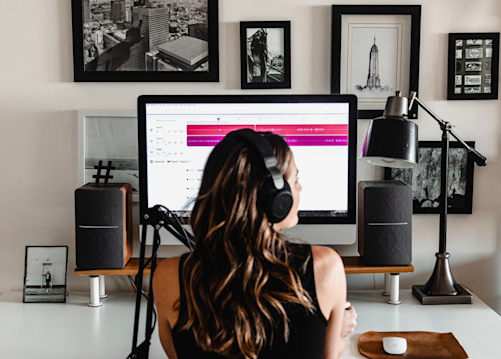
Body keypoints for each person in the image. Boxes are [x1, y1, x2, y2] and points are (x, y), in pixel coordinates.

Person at [153, 129, 357, 359]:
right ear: (277, 198)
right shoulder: (325, 268)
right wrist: (332, 331)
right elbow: (328, 355)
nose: (299, 189)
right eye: (295, 180)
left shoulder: (168, 277)